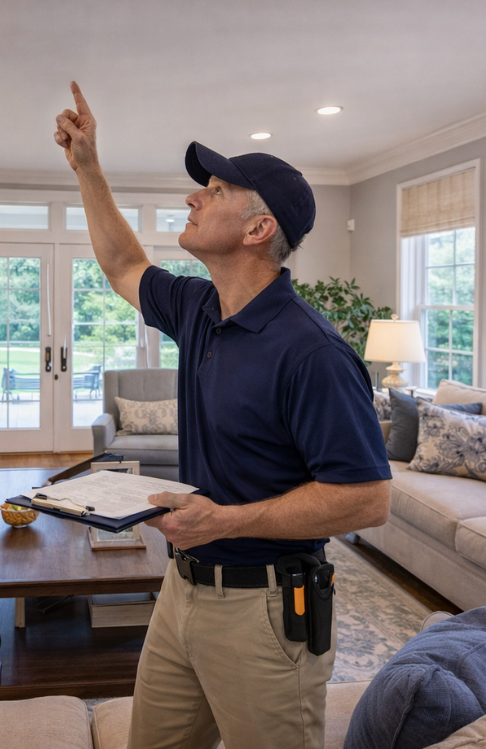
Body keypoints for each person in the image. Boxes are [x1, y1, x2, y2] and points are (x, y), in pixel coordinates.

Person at [54, 82, 392, 749]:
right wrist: (88, 167)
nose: (193, 197)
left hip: (266, 611)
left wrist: (228, 521)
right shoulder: (200, 309)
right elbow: (123, 262)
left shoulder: (312, 352)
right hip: (182, 591)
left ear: (258, 229)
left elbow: (367, 499)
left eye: (213, 191)